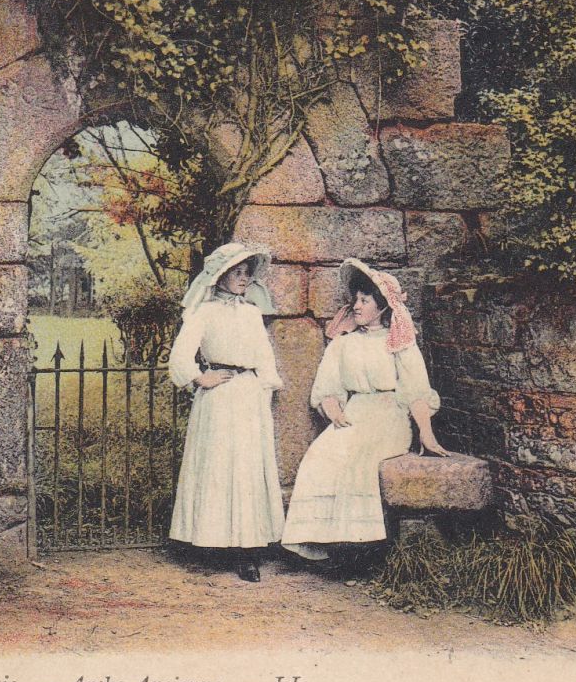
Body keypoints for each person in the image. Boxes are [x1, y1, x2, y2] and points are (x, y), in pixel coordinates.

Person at [281, 258, 447, 563]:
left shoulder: (398, 343)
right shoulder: (343, 344)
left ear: (382, 307)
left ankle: (360, 548)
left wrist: (426, 432)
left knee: (360, 457)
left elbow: (416, 390)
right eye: (355, 300)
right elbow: (328, 386)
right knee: (320, 454)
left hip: (389, 415)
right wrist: (333, 410)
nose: (356, 306)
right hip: (355, 413)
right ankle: (326, 544)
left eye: (364, 300)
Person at [168, 242, 285, 581]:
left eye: (247, 272)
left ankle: (247, 551)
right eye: (237, 272)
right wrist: (200, 377)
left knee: (247, 469)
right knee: (220, 467)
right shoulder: (204, 312)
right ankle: (213, 544)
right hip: (219, 397)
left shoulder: (251, 313)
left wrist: (264, 386)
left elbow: (264, 356)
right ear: (220, 276)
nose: (244, 278)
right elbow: (180, 355)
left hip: (248, 397)